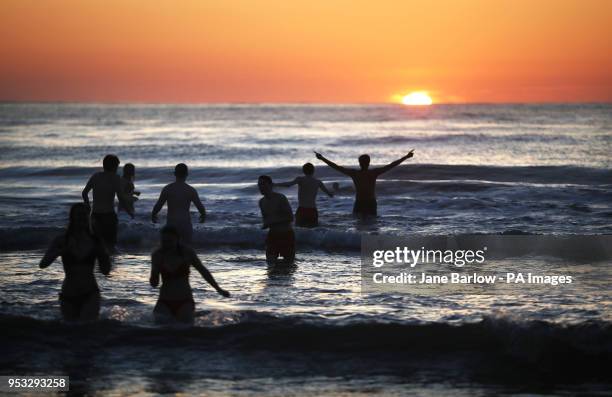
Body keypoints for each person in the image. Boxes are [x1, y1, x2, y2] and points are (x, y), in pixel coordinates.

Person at [39, 203, 111, 321]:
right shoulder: (62, 240)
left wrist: (104, 254)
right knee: (71, 333)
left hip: (90, 293)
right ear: (72, 217)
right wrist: (58, 252)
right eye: (79, 214)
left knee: (87, 330)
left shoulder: (96, 241)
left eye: (85, 215)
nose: (82, 217)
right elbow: (43, 264)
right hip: (68, 294)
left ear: (89, 217)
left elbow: (106, 271)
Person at [150, 225, 230, 323]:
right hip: (164, 301)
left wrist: (219, 289)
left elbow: (203, 272)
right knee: (157, 333)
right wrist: (155, 269)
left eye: (170, 241)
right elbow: (154, 284)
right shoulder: (157, 255)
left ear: (177, 239)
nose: (167, 244)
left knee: (186, 333)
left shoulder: (187, 253)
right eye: (164, 241)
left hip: (185, 301)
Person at [315, 150, 414, 218]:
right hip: (370, 203)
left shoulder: (355, 173)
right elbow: (392, 165)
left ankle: (358, 245)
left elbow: (335, 166)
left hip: (360, 203)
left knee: (358, 226)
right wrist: (406, 157)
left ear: (359, 163)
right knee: (372, 225)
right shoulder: (373, 173)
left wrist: (322, 158)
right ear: (369, 163)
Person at [82, 154, 134, 252]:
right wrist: (129, 212)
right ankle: (108, 264)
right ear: (114, 166)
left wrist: (88, 206)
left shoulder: (95, 176)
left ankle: (99, 264)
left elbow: (84, 193)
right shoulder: (116, 178)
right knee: (110, 244)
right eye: (117, 166)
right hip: (109, 215)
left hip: (95, 214)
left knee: (97, 243)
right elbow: (121, 198)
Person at [151, 163, 206, 245]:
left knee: (171, 251)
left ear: (175, 174)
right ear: (187, 174)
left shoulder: (168, 189)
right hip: (185, 224)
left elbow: (159, 205)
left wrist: (153, 215)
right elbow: (200, 206)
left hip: (172, 224)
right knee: (186, 250)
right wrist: (203, 215)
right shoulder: (190, 190)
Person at [274, 162, 333, 227]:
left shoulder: (300, 179)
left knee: (298, 230)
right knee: (313, 231)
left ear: (303, 171)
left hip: (302, 210)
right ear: (313, 171)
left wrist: (275, 184)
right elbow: (330, 194)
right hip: (313, 210)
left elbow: (288, 185)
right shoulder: (318, 182)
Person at [258, 175, 295, 264]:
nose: (261, 187)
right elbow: (266, 220)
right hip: (272, 235)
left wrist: (273, 221)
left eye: (263, 184)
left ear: (271, 185)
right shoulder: (261, 202)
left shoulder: (280, 198)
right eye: (259, 185)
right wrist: (265, 225)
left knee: (288, 267)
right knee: (270, 267)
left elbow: (290, 217)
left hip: (286, 235)